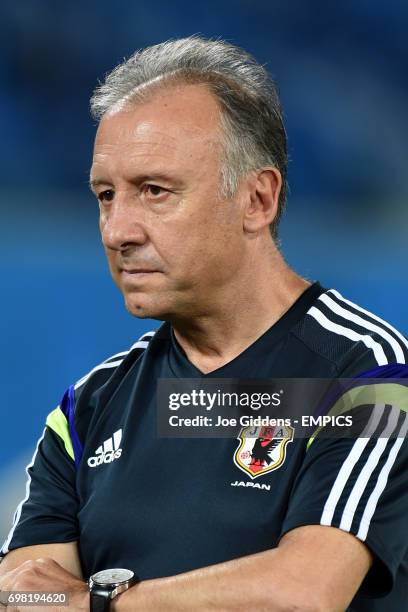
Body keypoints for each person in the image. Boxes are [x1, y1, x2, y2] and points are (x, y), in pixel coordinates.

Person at [1, 36, 407, 612]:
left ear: (257, 199)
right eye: (106, 195)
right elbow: (21, 596)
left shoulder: (369, 375)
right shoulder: (88, 410)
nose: (119, 230)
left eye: (155, 191)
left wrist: (99, 601)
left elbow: (302, 593)